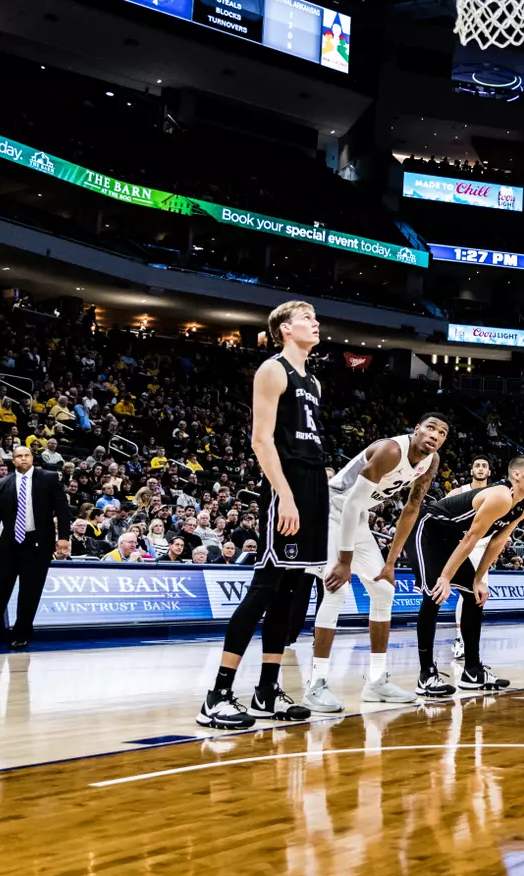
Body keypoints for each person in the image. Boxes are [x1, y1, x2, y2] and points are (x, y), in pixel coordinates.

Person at [196, 301, 327, 731]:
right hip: (285, 485)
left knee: (289, 592)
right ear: (286, 329)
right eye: (307, 318)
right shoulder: (272, 370)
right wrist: (285, 496)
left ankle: (267, 689)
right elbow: (260, 440)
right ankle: (217, 694)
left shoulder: (315, 382)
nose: (315, 323)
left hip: (312, 484)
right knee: (264, 588)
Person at [300, 414, 448, 714]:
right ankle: (315, 684)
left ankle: (377, 681)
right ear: (416, 429)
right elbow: (352, 502)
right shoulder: (391, 450)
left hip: (357, 518)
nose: (435, 435)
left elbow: (412, 508)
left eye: (442, 432)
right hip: (329, 510)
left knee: (383, 591)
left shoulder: (429, 462)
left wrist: (391, 562)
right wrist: (344, 560)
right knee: (335, 590)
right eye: (430, 427)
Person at [388, 455, 524, 698]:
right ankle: (426, 675)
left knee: (473, 596)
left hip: (449, 538)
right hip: (426, 528)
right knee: (434, 594)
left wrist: (479, 578)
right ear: (517, 475)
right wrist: (446, 577)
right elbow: (471, 537)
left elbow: (498, 540)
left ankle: (472, 672)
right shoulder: (500, 496)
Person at [0, 443, 70, 651]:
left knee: (29, 593)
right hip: (9, 544)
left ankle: (21, 635)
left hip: (38, 544)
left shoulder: (49, 478)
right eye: (19, 456)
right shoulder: (3, 482)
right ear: (12, 460)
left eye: (27, 455)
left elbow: (62, 509)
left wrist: (64, 537)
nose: (23, 459)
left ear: (32, 458)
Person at [447, 455, 492, 663]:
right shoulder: (458, 493)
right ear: (471, 470)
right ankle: (459, 640)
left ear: (489, 472)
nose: (481, 469)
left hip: (484, 548)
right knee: (467, 594)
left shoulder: (496, 494)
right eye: (477, 465)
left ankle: (468, 642)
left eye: (484, 466)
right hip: (464, 545)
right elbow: (442, 515)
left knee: (478, 598)